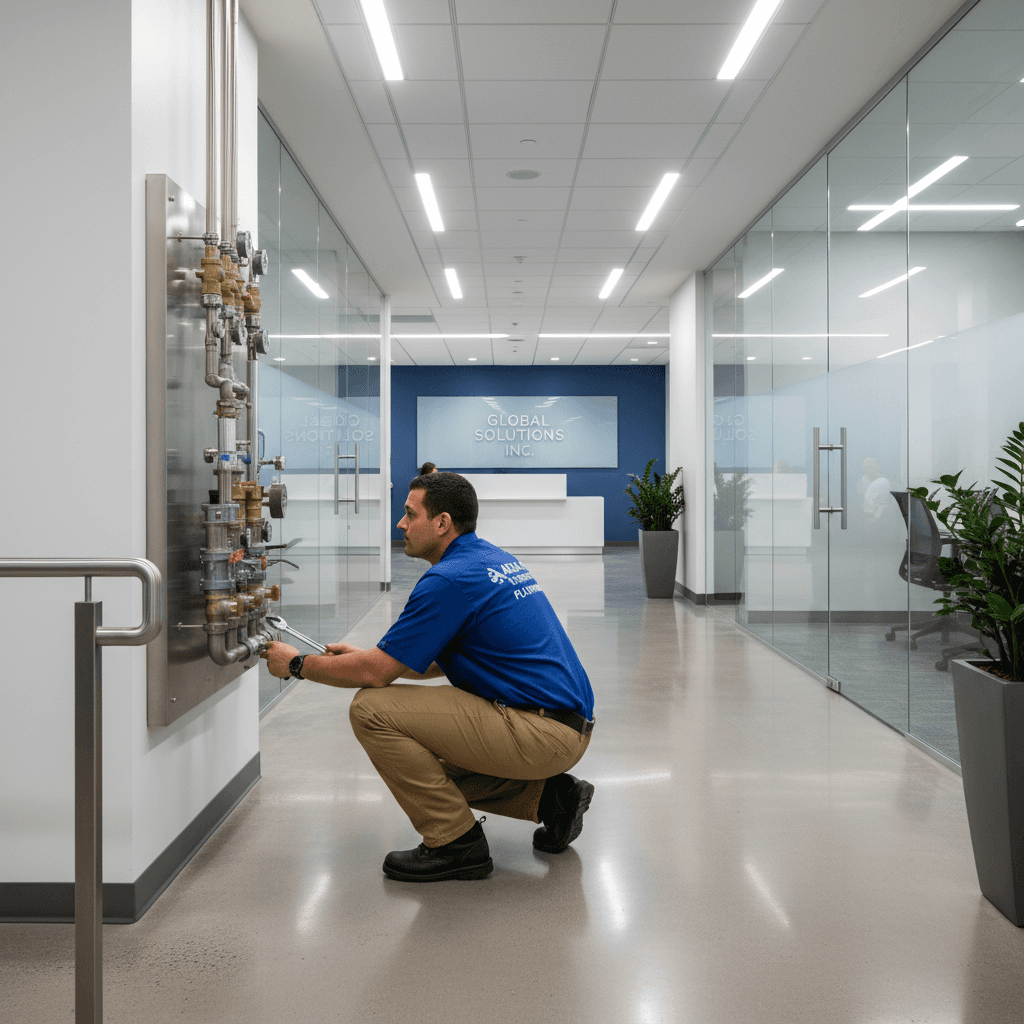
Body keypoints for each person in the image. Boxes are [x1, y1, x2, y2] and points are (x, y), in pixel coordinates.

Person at [263, 471, 596, 882]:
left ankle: (456, 843)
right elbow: (431, 658)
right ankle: (553, 799)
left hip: (543, 732)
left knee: (371, 709)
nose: (400, 523)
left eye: (410, 513)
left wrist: (297, 665)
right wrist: (371, 657)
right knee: (420, 759)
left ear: (442, 523)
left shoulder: (448, 580)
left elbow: (375, 674)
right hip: (564, 724)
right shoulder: (487, 559)